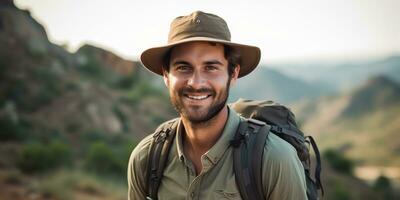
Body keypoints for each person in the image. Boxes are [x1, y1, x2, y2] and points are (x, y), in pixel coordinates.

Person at [127, 10, 307, 200]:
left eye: (211, 68)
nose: (196, 83)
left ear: (233, 74)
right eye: (183, 67)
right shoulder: (146, 158)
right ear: (166, 75)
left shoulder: (273, 160)